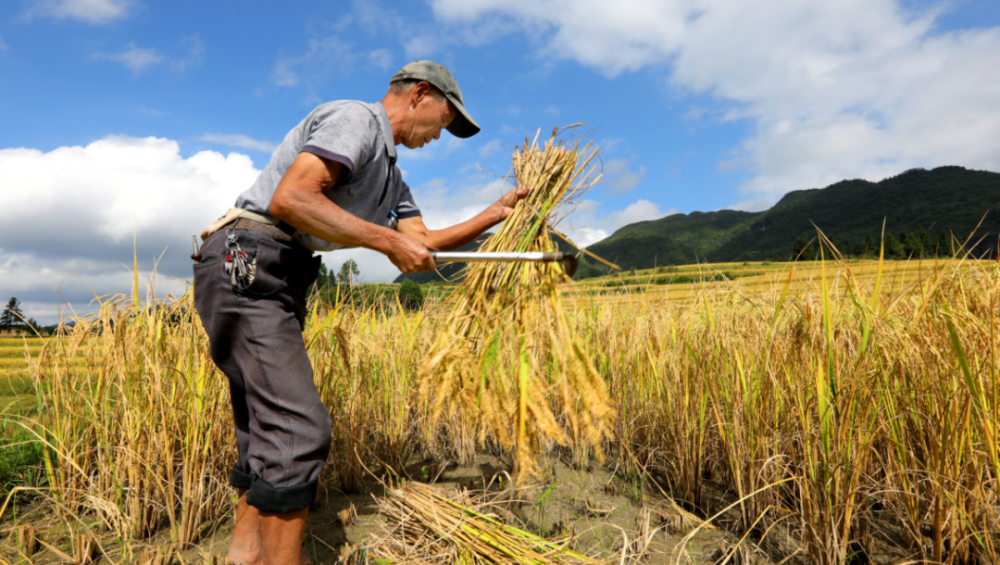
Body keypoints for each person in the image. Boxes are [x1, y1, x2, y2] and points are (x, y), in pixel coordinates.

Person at [192, 60, 527, 565]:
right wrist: (386, 241)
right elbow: (292, 198)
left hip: (282, 271)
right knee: (298, 428)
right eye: (444, 121)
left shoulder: (393, 179)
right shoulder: (357, 121)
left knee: (264, 423)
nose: (440, 136)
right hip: (249, 258)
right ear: (418, 94)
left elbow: (424, 242)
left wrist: (495, 214)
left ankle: (246, 555)